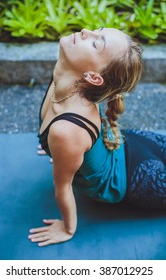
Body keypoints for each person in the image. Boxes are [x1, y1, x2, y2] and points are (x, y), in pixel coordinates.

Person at [28, 27, 166, 247]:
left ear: (92, 77)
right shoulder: (64, 81)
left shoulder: (66, 131)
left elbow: (63, 186)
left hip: (136, 174)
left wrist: (67, 228)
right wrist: (58, 149)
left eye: (95, 43)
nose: (85, 31)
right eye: (95, 31)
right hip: (126, 148)